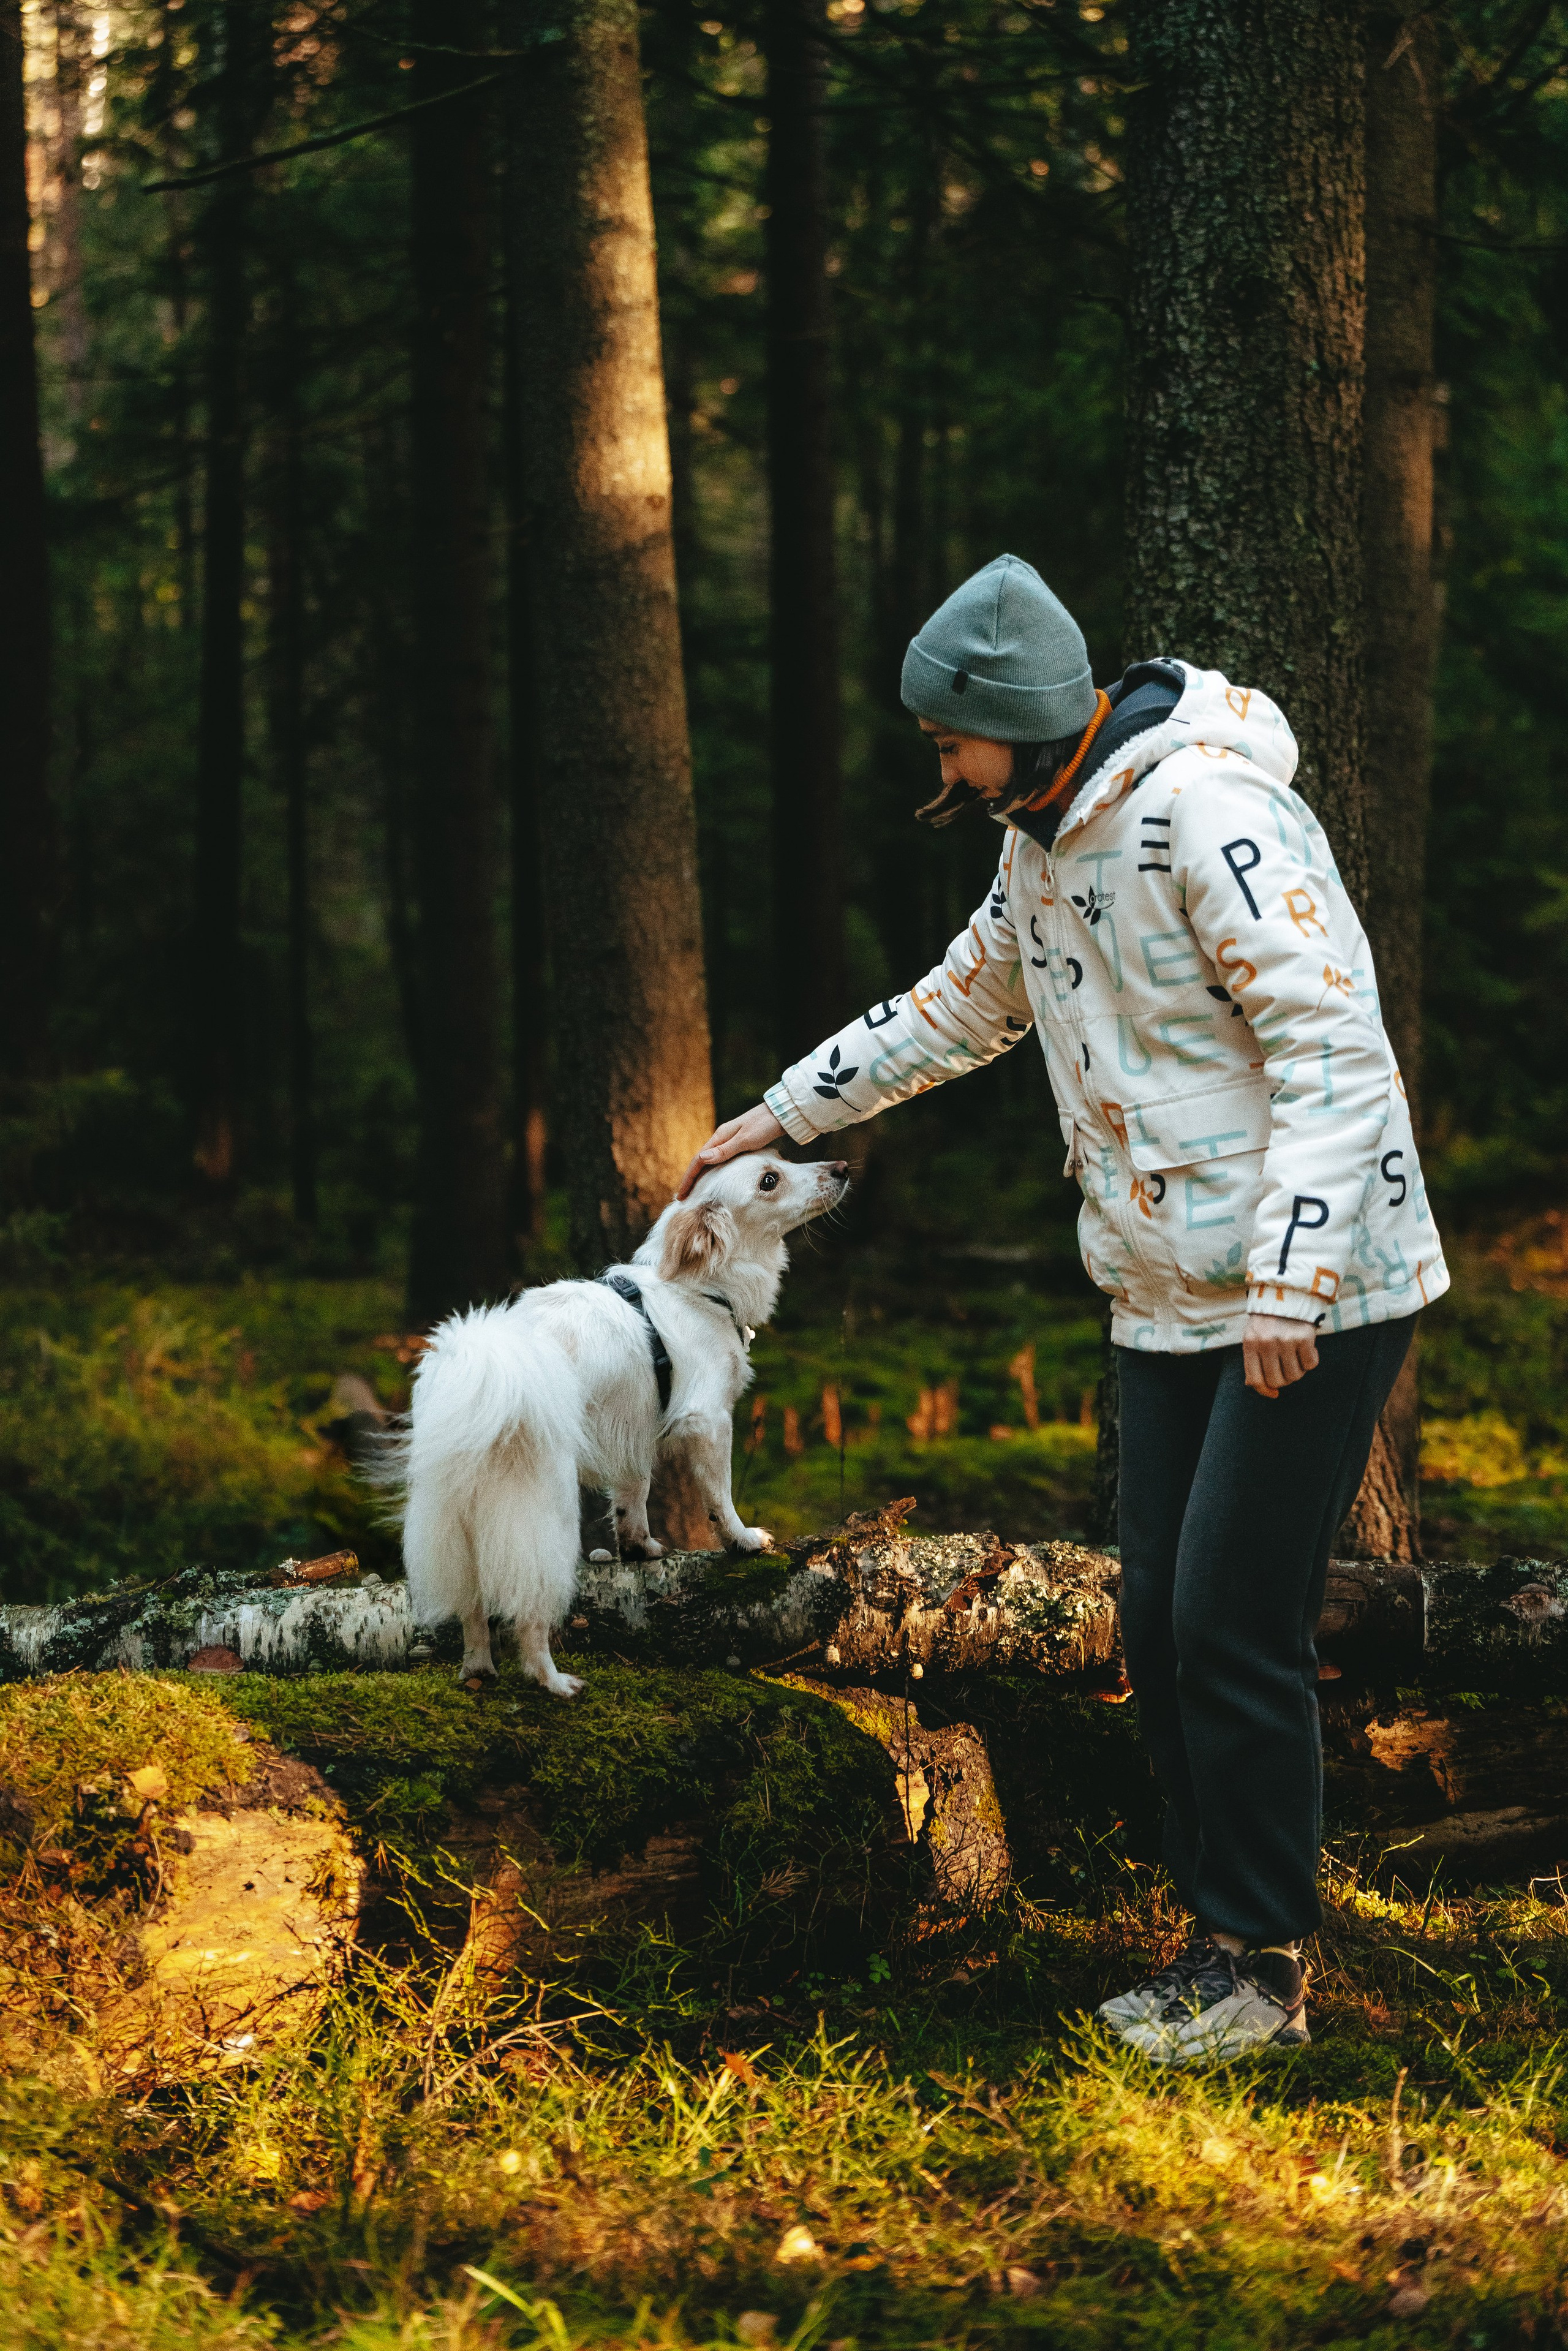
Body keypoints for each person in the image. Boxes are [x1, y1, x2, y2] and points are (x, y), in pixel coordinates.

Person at [679, 553, 1447, 2063]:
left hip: (1314, 1288)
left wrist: (1291, 1274)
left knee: (1232, 1614)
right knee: (1157, 1618)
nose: (938, 762)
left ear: (1019, 718)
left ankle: (1260, 1974)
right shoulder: (1041, 838)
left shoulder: (1208, 813)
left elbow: (1334, 1047)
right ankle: (1212, 1944)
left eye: (946, 736)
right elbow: (962, 1002)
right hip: (1164, 1291)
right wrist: (786, 1112)